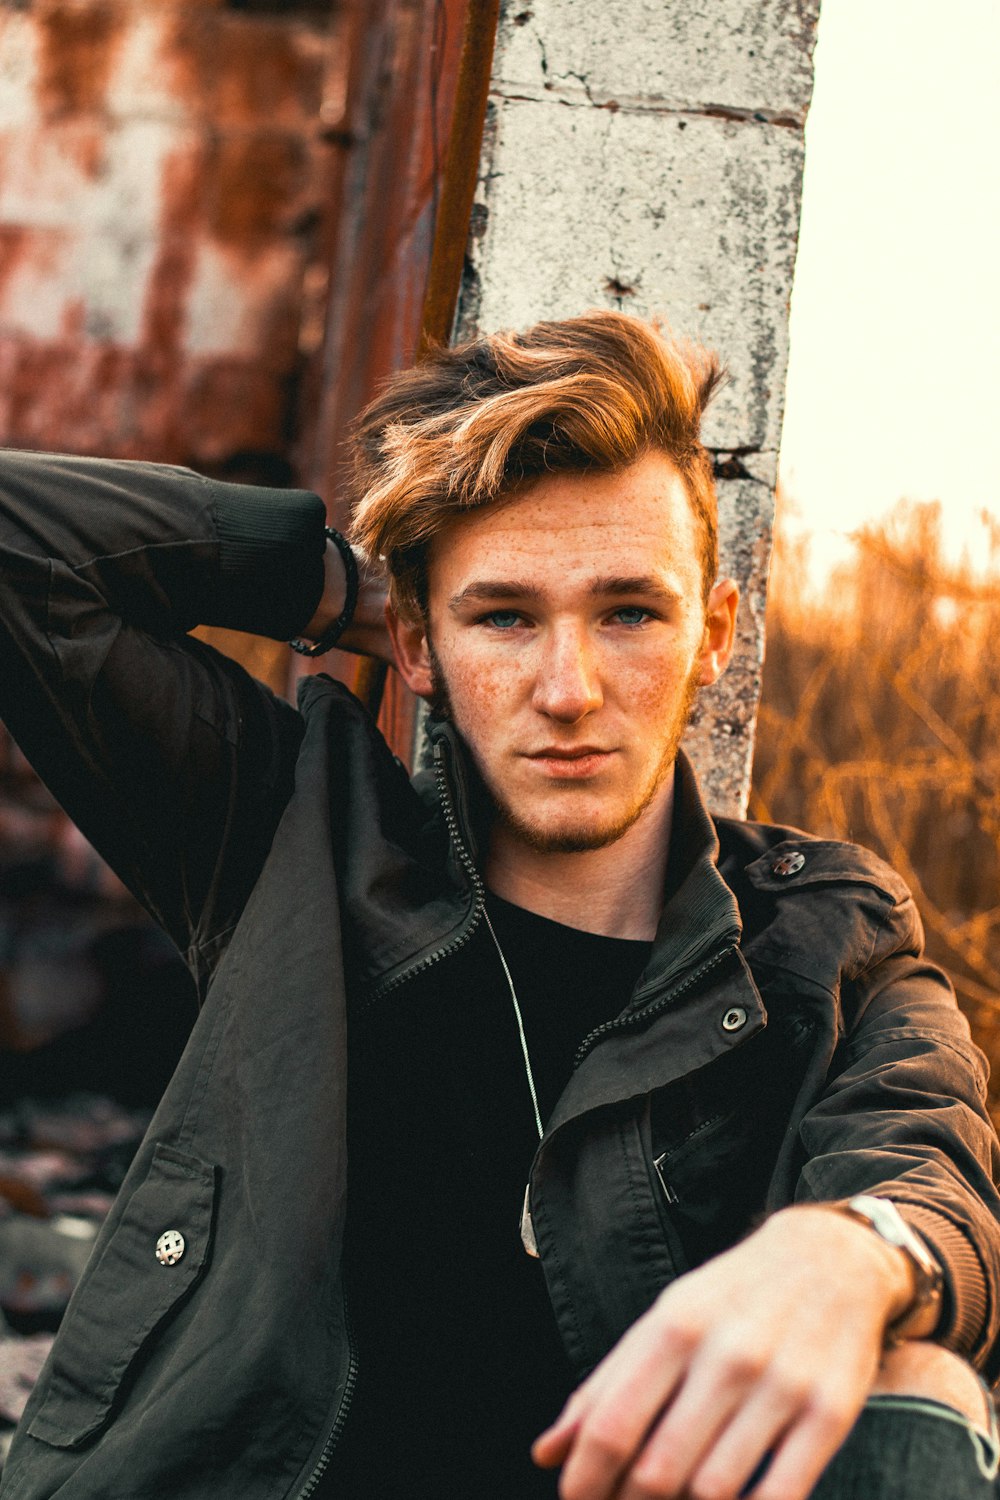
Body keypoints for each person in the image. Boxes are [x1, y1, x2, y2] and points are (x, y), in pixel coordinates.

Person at [0, 311, 998, 1500]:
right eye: (505, 617)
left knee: (920, 1392)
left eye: (630, 612)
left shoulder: (821, 938)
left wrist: (845, 1251)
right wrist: (331, 590)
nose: (566, 691)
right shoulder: (289, 843)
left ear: (713, 635)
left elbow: (930, 1158)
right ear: (415, 643)